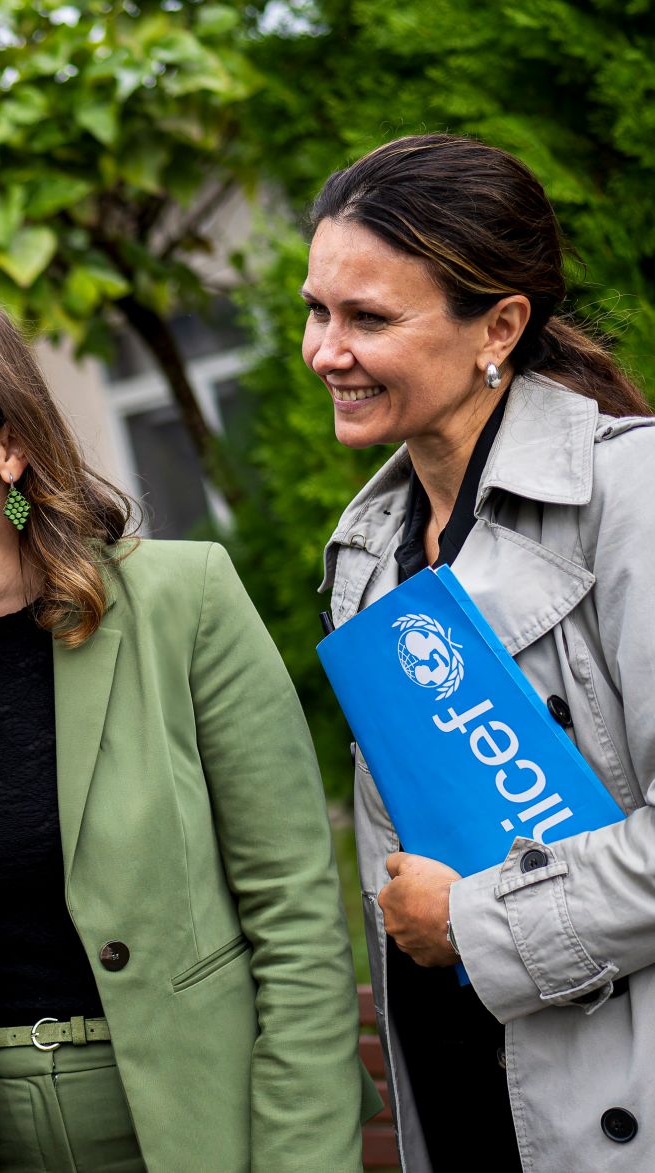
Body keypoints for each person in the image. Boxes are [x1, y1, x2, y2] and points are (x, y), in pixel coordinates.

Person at [0, 293, 374, 1172]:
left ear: (9, 447)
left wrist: (304, 1157)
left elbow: (294, 915)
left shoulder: (184, 602)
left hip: (202, 1124)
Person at [307, 134, 655, 1172]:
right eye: (316, 311)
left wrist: (470, 920)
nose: (325, 351)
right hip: (461, 1096)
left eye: (368, 318)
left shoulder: (630, 496)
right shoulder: (367, 547)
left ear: (498, 325)